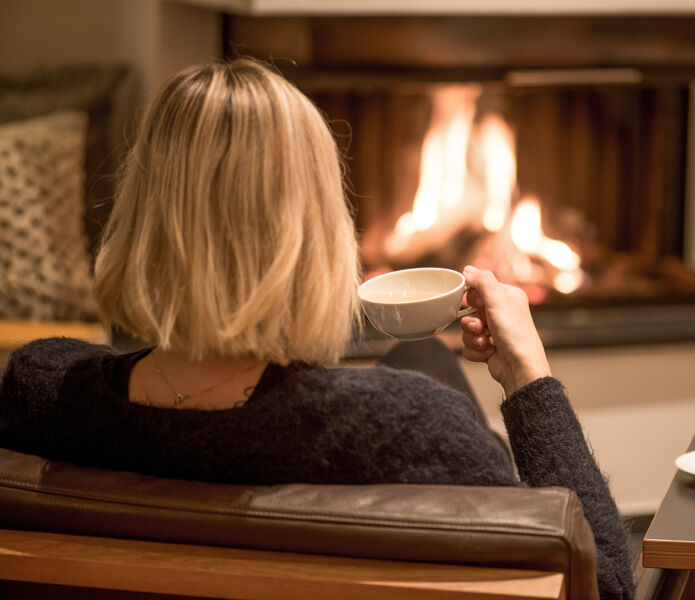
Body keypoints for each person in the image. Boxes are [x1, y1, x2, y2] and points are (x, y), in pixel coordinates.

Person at [0, 58, 633, 600]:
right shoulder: (406, 430)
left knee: (423, 361)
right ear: (311, 231)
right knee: (425, 373)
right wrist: (529, 376)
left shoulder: (40, 389)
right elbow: (598, 583)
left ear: (142, 213)